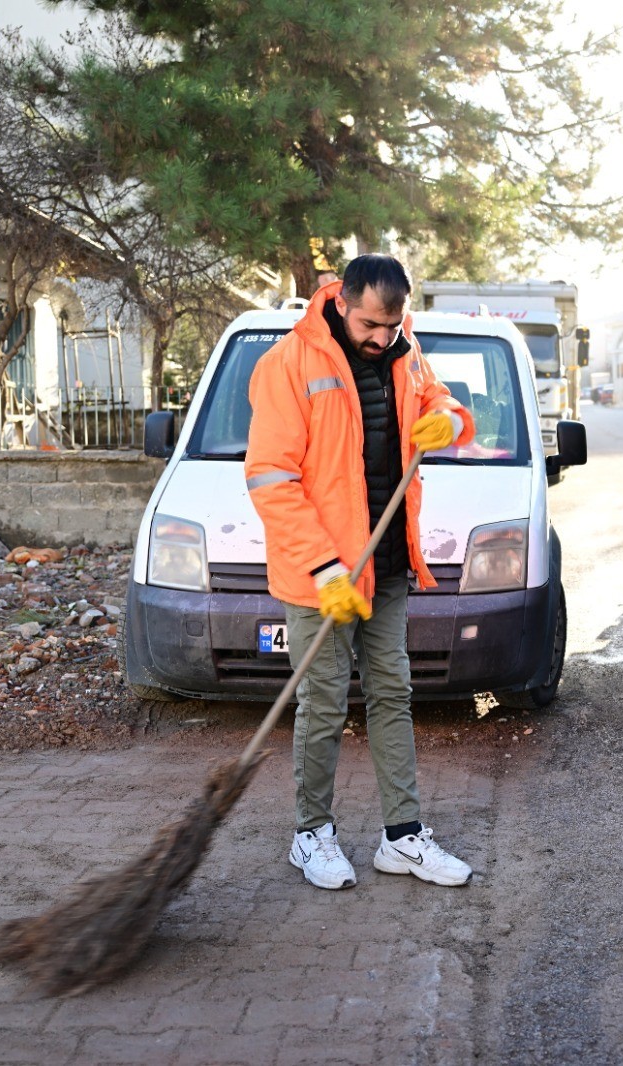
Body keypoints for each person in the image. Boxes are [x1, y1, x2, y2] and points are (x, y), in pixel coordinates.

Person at [245, 253, 477, 891]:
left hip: (389, 561)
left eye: (393, 324)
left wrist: (449, 421)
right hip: (321, 572)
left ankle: (402, 838)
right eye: (371, 324)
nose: (382, 337)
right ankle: (310, 833)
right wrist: (324, 567)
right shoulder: (286, 366)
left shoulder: (406, 350)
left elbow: (445, 404)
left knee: (393, 694)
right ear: (341, 302)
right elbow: (270, 480)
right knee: (322, 704)